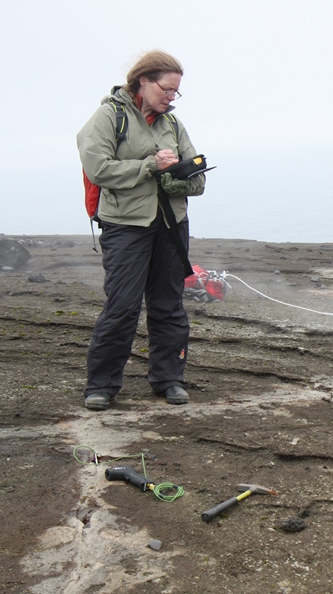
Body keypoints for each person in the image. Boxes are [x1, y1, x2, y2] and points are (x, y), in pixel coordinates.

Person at [77, 50, 206, 410]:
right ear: (143, 81)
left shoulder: (173, 125)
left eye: (176, 92)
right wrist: (151, 165)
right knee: (122, 307)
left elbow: (196, 179)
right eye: (166, 89)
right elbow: (99, 169)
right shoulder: (109, 117)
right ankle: (100, 386)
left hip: (171, 225)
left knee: (169, 306)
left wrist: (178, 178)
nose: (171, 97)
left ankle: (169, 380)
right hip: (125, 227)